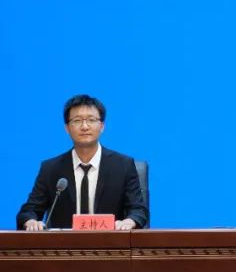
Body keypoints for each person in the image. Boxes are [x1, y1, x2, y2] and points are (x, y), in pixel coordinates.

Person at [16, 94, 148, 230]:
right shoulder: (50, 169)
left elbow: (138, 210)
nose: (85, 126)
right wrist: (30, 221)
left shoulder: (123, 165)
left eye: (91, 120)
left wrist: (130, 221)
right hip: (64, 243)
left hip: (110, 241)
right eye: (77, 120)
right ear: (67, 128)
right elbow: (29, 211)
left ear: (102, 126)